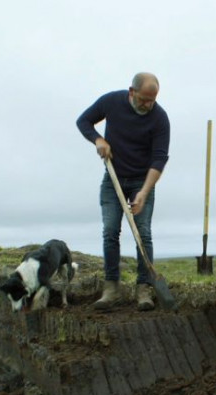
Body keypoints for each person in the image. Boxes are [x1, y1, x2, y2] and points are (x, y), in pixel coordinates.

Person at [76, 72, 170, 310]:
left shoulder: (160, 118)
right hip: (113, 179)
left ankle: (144, 289)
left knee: (143, 234)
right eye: (143, 100)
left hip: (142, 181)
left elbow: (159, 158)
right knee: (110, 231)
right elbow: (83, 121)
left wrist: (144, 192)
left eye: (152, 100)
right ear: (132, 92)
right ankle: (111, 288)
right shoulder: (111, 102)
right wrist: (98, 140)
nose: (148, 105)